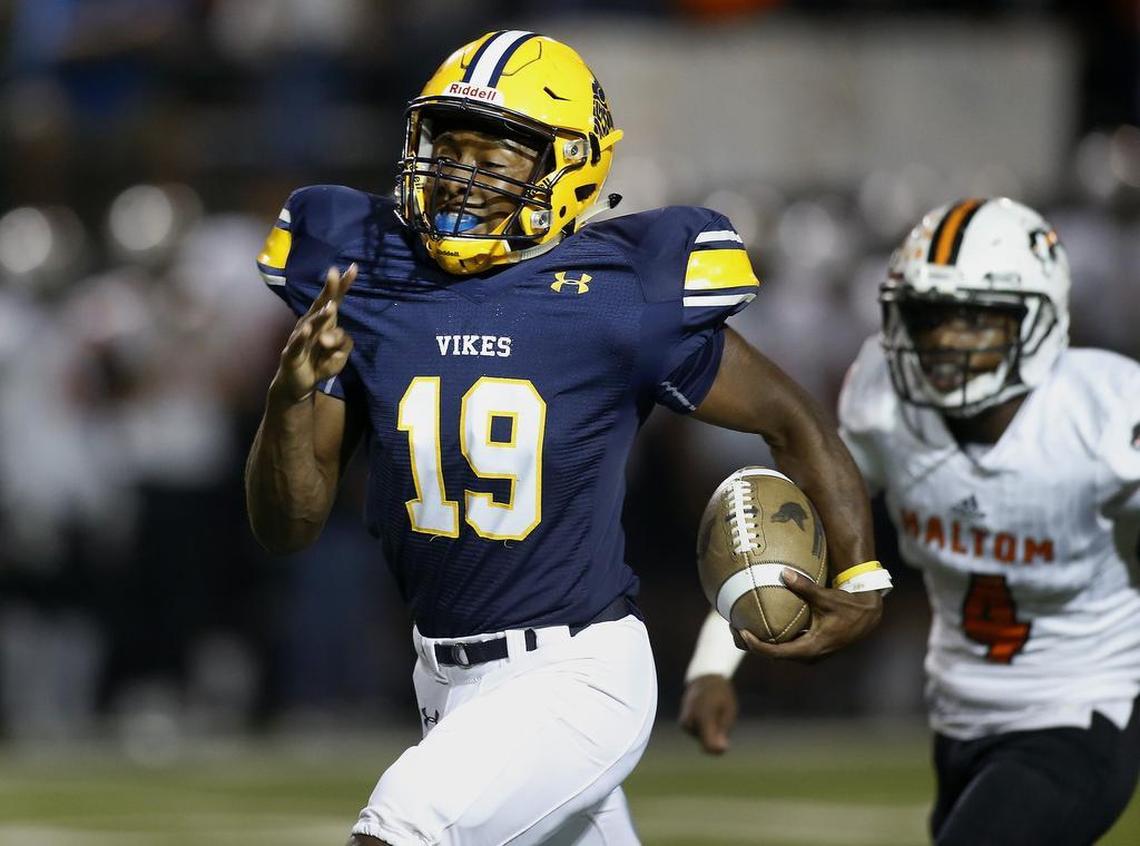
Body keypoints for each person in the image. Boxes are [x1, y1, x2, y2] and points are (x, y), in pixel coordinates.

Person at [245, 31, 885, 846]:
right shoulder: (368, 279)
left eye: (494, 156)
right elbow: (288, 526)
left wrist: (862, 577)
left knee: (398, 829)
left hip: (576, 676)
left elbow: (791, 419)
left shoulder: (618, 295)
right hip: (441, 679)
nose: (460, 174)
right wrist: (290, 397)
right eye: (449, 147)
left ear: (570, 167)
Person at [680, 198, 1140, 845]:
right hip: (957, 716)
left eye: (973, 319)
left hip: (1082, 709)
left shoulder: (1108, 413)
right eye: (929, 316)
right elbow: (785, 535)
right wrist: (712, 665)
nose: (945, 341)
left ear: (1038, 321)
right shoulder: (887, 401)